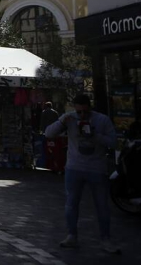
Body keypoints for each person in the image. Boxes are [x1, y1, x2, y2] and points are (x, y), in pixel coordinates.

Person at [45, 94, 119, 253]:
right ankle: (72, 235)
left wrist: (95, 135)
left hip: (97, 168)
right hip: (74, 167)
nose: (82, 115)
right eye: (79, 112)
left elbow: (113, 142)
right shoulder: (70, 118)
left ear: (90, 108)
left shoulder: (102, 120)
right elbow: (48, 134)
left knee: (102, 206)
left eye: (85, 112)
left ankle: (105, 239)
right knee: (71, 203)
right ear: (74, 109)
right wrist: (61, 122)